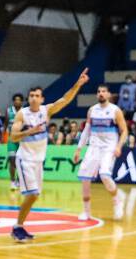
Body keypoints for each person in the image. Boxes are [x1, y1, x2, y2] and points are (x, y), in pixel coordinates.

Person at [9, 70, 89, 242]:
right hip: (25, 159)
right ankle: (17, 227)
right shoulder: (22, 114)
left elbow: (66, 99)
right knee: (32, 194)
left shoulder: (46, 111)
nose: (33, 98)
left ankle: (20, 226)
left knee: (35, 195)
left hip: (38, 161)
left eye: (37, 95)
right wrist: (31, 130)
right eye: (31, 95)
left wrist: (78, 84)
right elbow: (13, 137)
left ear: (42, 99)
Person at [71, 84, 126, 221]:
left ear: (108, 94)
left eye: (104, 91)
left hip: (109, 148)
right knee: (84, 178)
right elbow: (86, 131)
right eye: (99, 91)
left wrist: (119, 146)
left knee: (104, 175)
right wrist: (79, 149)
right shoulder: (92, 110)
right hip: (93, 147)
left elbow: (124, 131)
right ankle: (86, 211)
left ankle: (117, 200)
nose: (101, 93)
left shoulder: (115, 110)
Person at [5, 93, 25, 191]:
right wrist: (3, 136)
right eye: (15, 100)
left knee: (21, 162)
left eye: (19, 100)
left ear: (22, 101)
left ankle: (19, 180)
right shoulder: (9, 111)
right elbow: (5, 124)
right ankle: (12, 181)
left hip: (22, 140)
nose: (17, 101)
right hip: (12, 139)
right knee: (12, 160)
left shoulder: (25, 111)